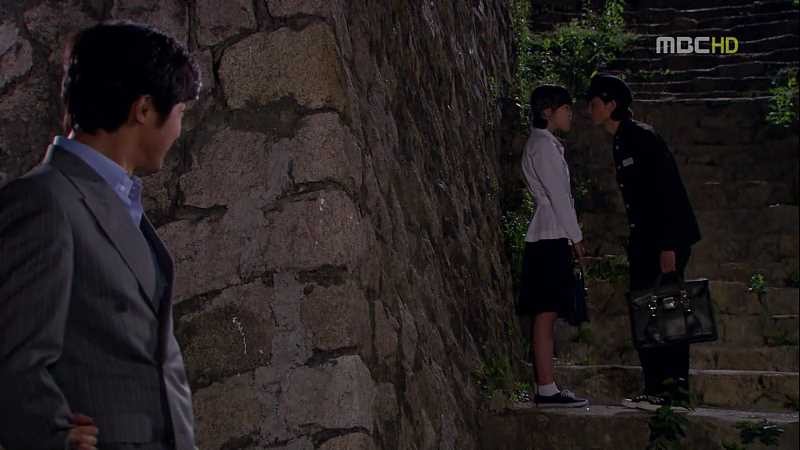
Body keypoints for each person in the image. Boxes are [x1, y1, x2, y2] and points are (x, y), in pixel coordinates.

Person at [0, 22, 201, 450]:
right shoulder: (44, 201)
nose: (179, 130)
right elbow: (12, 357)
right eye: (180, 113)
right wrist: (51, 435)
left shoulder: (116, 203)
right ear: (144, 109)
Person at [586, 74, 702, 411]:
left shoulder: (641, 137)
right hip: (645, 240)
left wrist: (668, 246)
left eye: (594, 103)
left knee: (668, 313)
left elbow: (667, 192)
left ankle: (675, 393)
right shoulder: (621, 140)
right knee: (646, 312)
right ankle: (654, 389)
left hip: (665, 240)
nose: (589, 110)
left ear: (611, 105)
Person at [516, 85, 589, 408]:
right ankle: (546, 387)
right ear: (548, 112)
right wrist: (576, 237)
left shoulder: (544, 144)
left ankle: (547, 385)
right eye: (565, 108)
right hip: (550, 235)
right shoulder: (543, 146)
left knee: (546, 312)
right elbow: (559, 197)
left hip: (549, 234)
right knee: (545, 312)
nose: (570, 113)